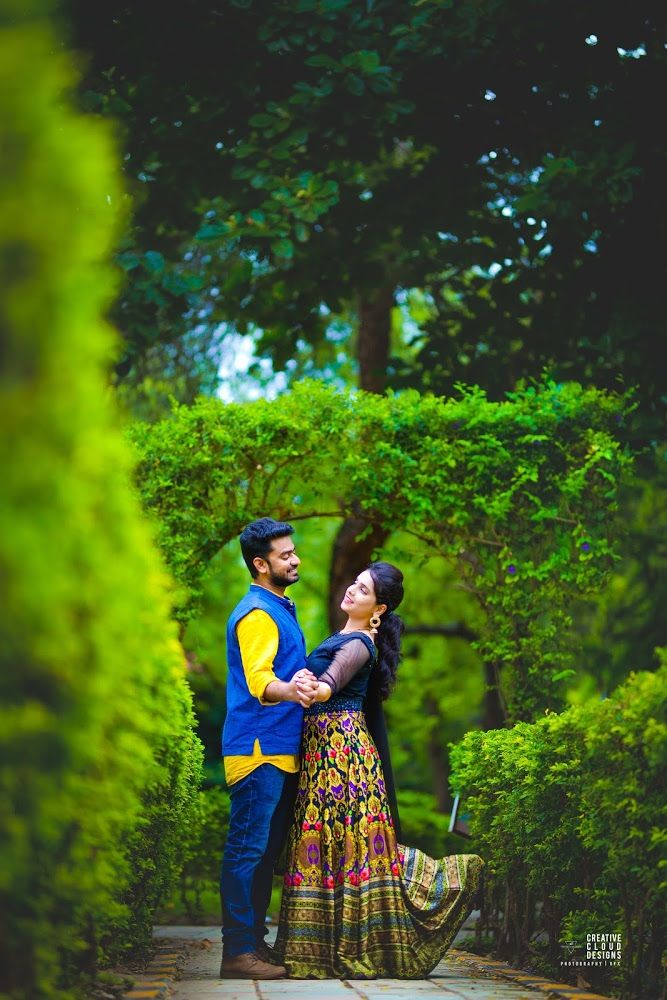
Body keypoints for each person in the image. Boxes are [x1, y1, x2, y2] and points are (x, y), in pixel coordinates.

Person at [274, 561, 484, 979]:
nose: (352, 590)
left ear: (379, 609)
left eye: (363, 589)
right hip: (327, 755)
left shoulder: (359, 644)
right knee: (329, 843)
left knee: (341, 844)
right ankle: (319, 948)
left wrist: (305, 686)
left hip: (342, 760)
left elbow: (327, 687)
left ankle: (444, 886)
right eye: (354, 582)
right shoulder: (343, 635)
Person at [219, 517, 318, 980]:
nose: (295, 558)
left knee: (261, 855)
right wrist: (292, 690)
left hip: (278, 750)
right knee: (246, 851)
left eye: (294, 550)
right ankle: (237, 952)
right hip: (258, 750)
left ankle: (253, 944)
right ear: (261, 564)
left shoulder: (280, 605)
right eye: (284, 554)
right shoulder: (258, 613)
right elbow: (260, 681)